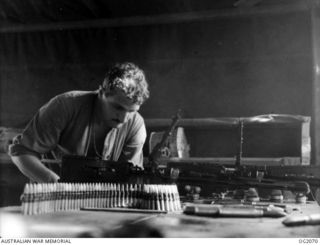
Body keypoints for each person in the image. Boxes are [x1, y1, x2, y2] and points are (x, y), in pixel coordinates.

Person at [8, 62, 150, 183]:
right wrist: (55, 183)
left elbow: (129, 178)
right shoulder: (64, 105)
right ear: (101, 93)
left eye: (132, 111)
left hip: (105, 205)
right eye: (117, 107)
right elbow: (21, 152)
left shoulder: (136, 126)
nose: (124, 118)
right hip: (53, 201)